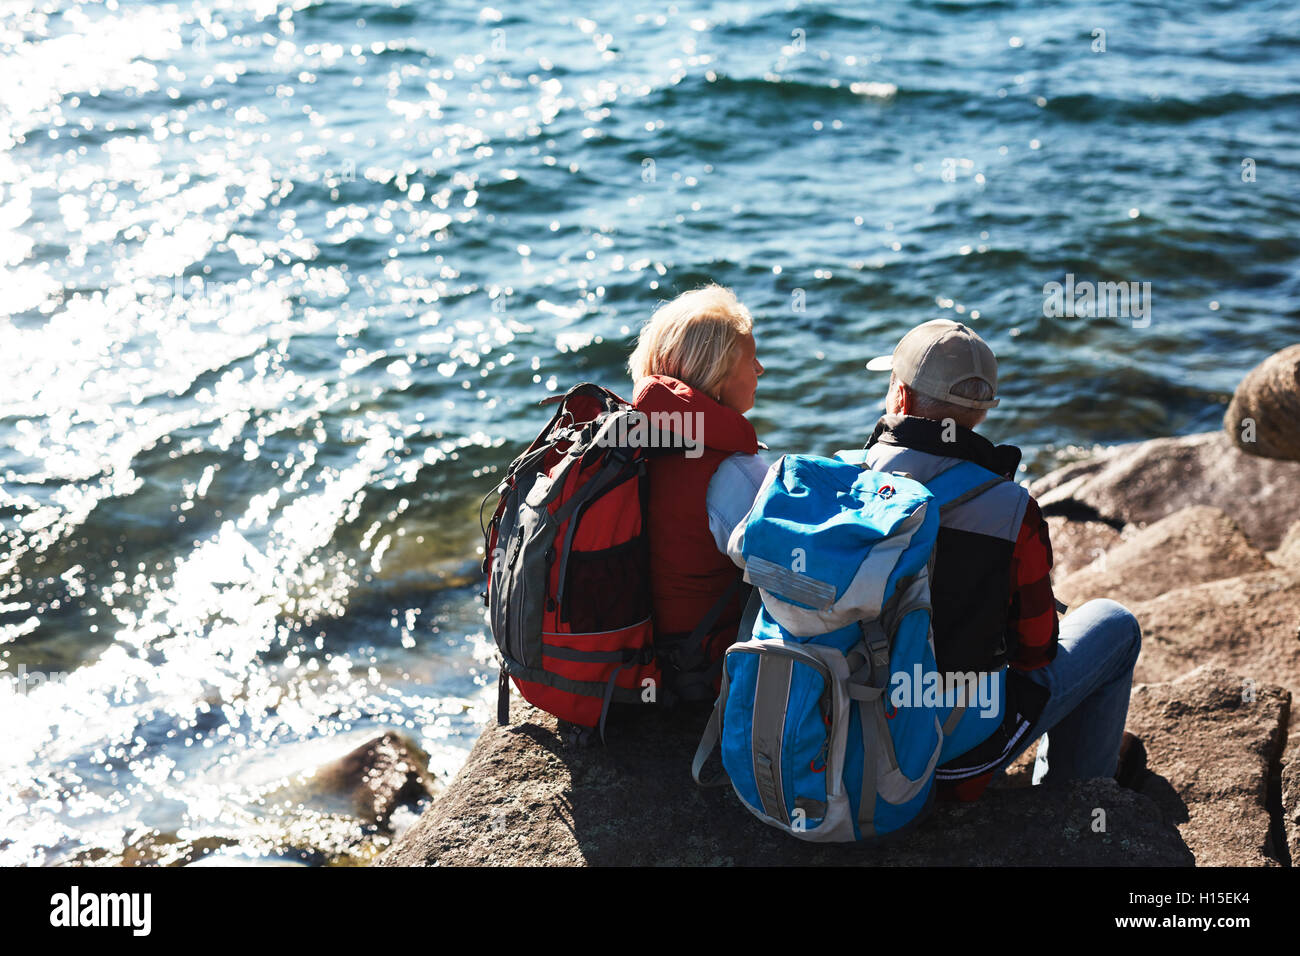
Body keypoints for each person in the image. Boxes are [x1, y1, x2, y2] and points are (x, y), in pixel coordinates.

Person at [861, 319, 1146, 799]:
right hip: (949, 761)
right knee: (1115, 624)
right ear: (983, 413)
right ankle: (1074, 794)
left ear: (901, 399)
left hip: (838, 740)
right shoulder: (1012, 511)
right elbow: (1035, 652)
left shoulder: (835, 481)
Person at [627, 284, 768, 702]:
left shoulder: (639, 441)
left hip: (649, 654)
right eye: (750, 359)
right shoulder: (731, 472)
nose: (760, 369)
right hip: (700, 673)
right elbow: (798, 575)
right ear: (716, 376)